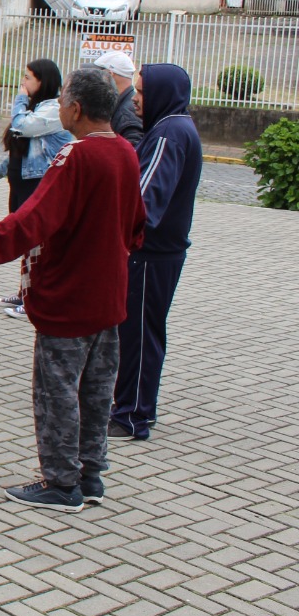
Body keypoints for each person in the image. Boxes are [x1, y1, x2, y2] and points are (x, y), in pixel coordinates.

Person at [0, 68, 145, 512]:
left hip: (70, 299)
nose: (59, 107)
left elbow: (29, 223)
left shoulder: (77, 157)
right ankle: (90, 475)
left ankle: (60, 481)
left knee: (57, 392)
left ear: (75, 107)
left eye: (63, 100)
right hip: (108, 297)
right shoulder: (125, 152)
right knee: (95, 392)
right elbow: (137, 226)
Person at [111, 63, 202, 442]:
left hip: (152, 253)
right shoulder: (173, 128)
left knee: (141, 334)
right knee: (138, 331)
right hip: (157, 251)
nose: (136, 98)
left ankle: (133, 414)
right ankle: (130, 407)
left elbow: (146, 200)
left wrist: (117, 232)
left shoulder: (169, 133)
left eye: (144, 92)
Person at [0, 59, 71, 316]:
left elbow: (22, 127)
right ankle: (24, 292)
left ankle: (36, 301)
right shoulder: (36, 108)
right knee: (27, 242)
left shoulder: (53, 109)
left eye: (27, 78)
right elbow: (20, 150)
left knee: (39, 244)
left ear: (42, 82)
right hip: (22, 185)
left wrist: (20, 102)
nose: (22, 83)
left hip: (40, 185)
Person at [93, 50, 145, 148]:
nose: (93, 79)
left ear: (109, 74)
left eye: (97, 74)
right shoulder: (123, 104)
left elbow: (132, 155)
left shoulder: (127, 114)